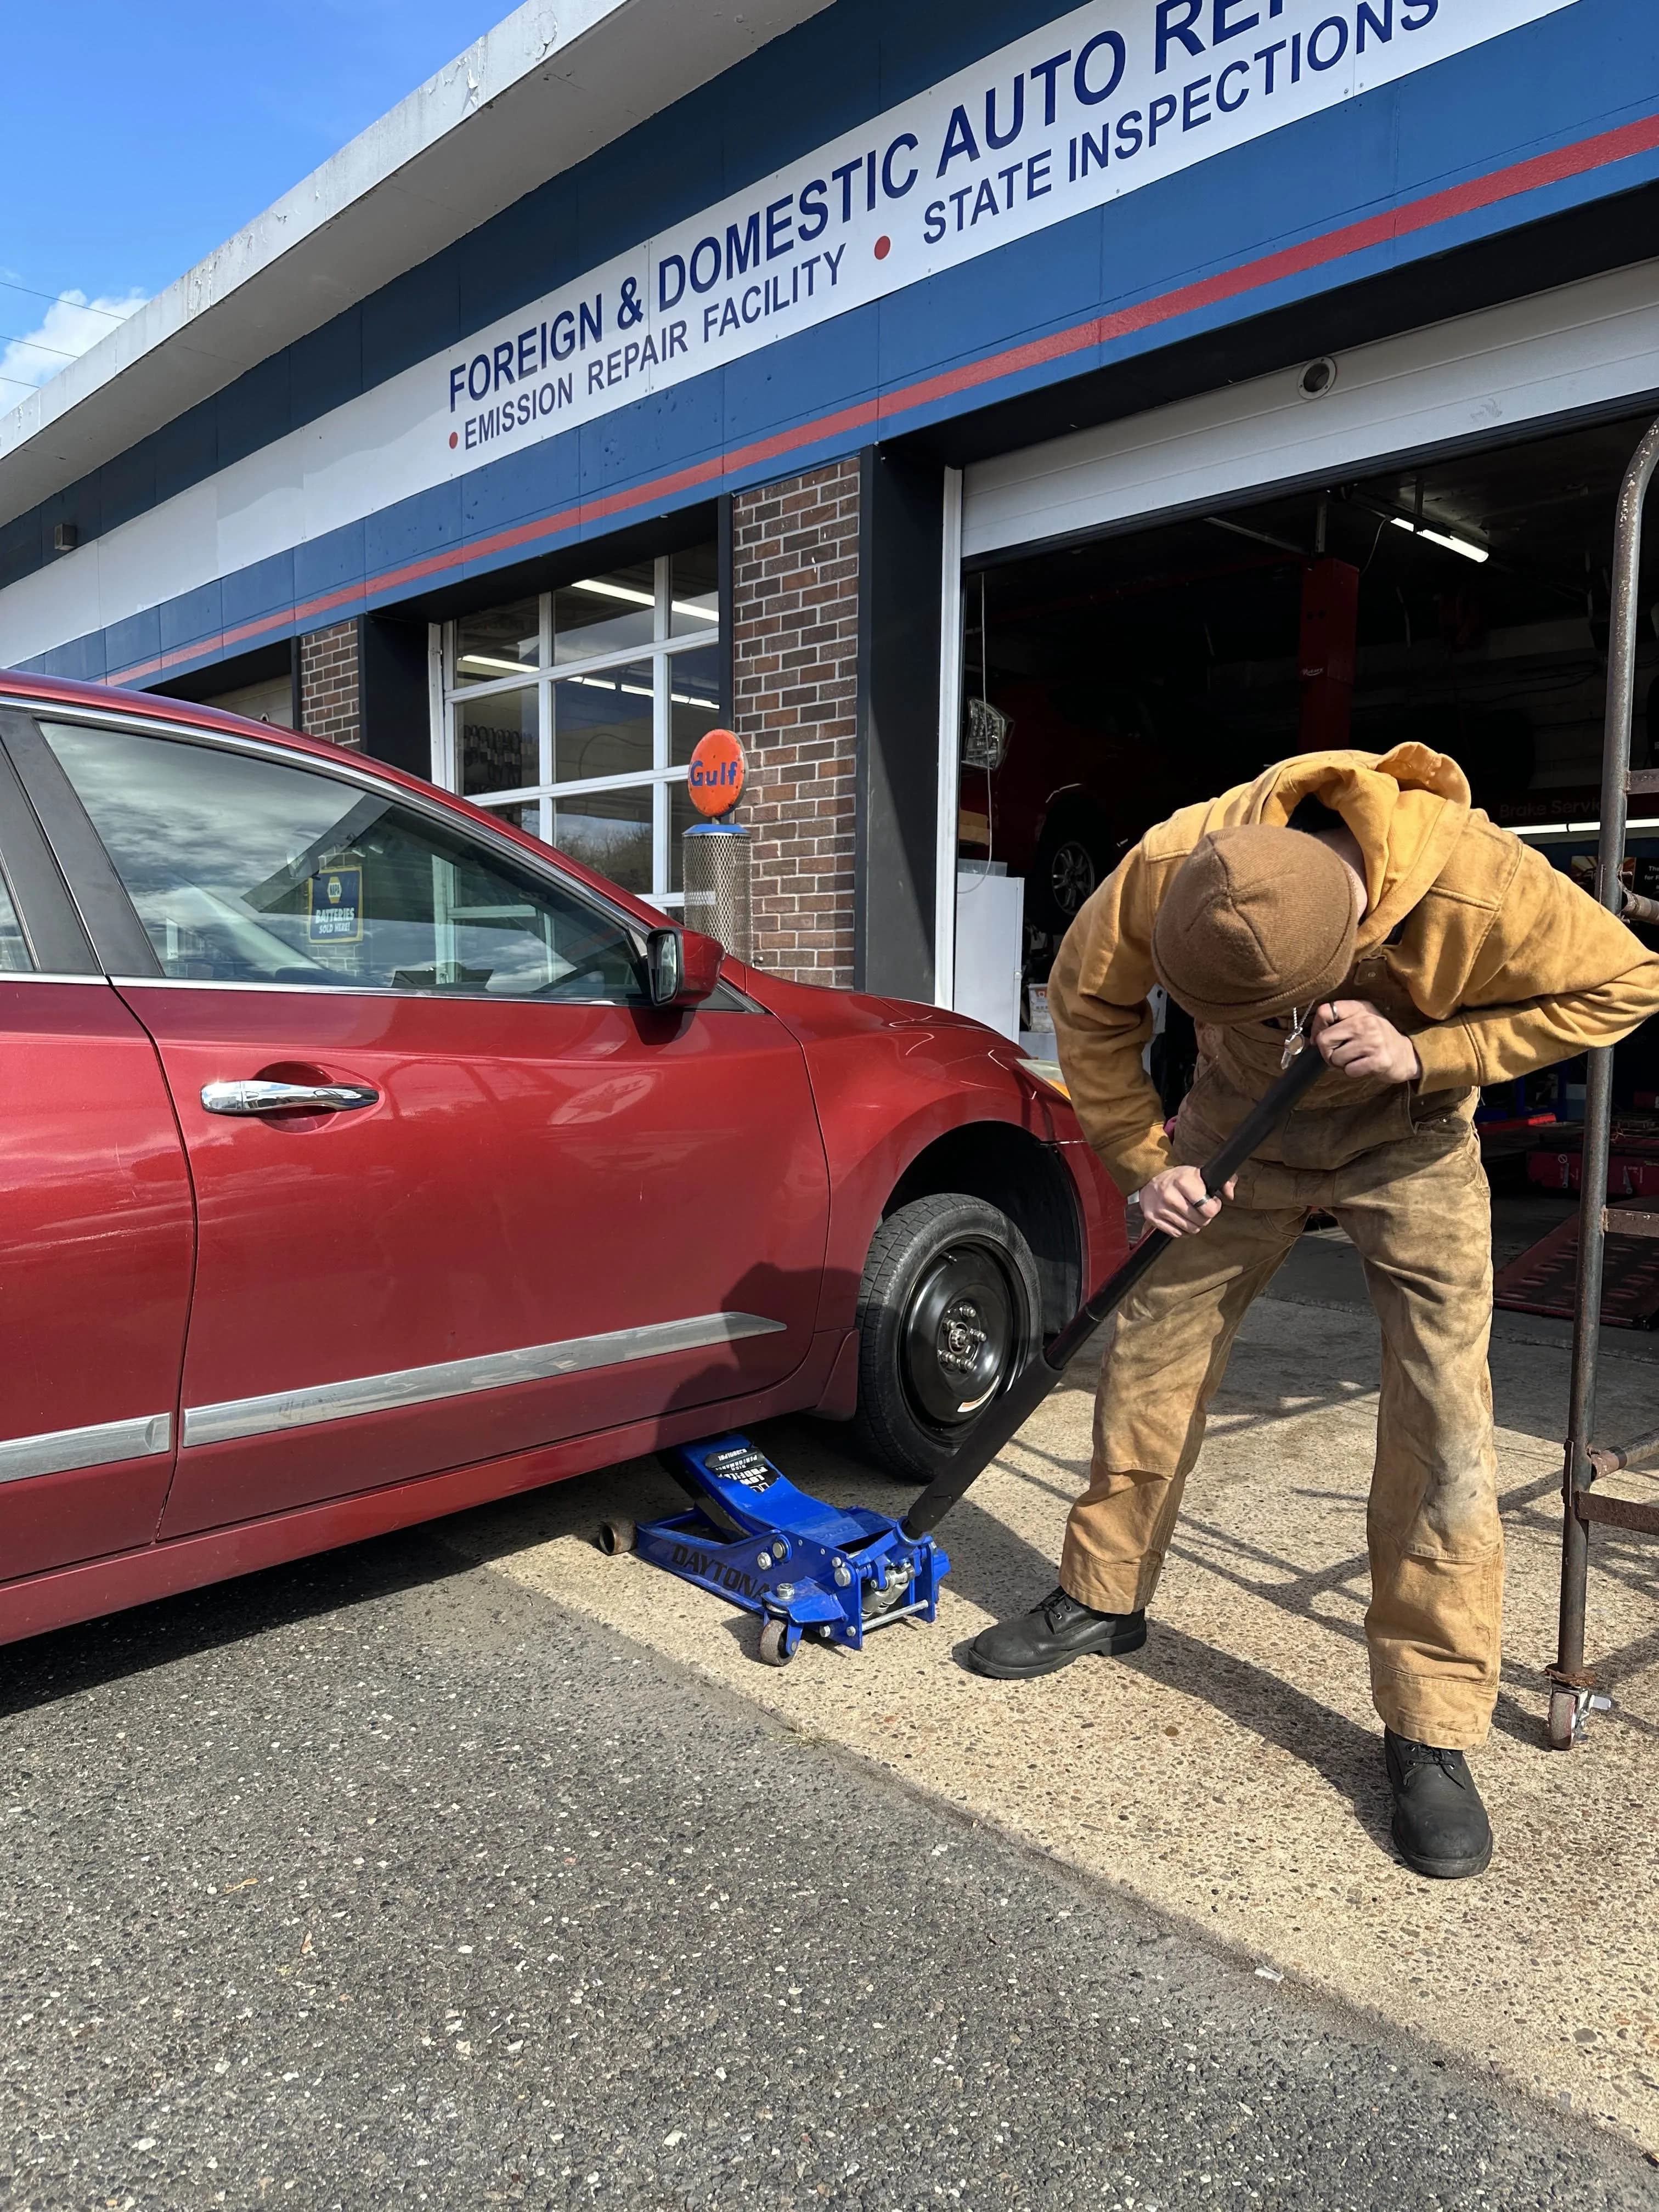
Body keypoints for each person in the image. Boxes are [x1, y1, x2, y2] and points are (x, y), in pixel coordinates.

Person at [967, 744, 1659, 1879]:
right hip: (1235, 1129)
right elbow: (1088, 996)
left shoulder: (1481, 882)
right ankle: (1100, 1593)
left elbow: (1630, 981)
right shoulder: (1177, 858)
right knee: (1150, 1357)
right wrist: (1147, 1159)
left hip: (1412, 1143)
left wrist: (1436, 1049)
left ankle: (1430, 1724)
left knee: (1443, 1419)